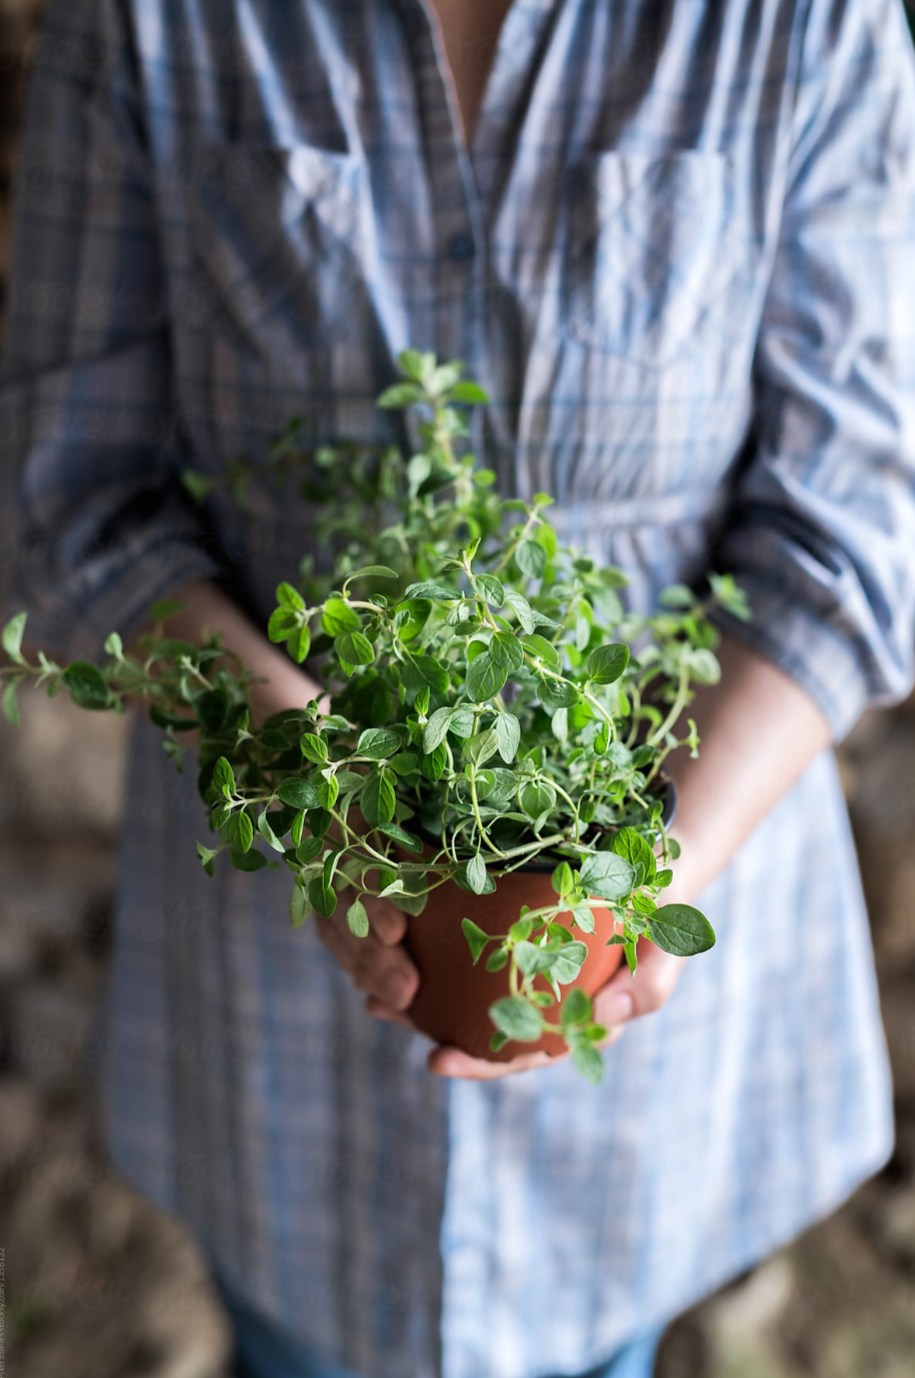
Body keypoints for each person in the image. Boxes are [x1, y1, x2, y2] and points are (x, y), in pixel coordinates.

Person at [3, 0, 915, 1375]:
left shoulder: (803, 23)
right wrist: (318, 789)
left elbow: (852, 520)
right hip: (281, 988)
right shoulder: (149, 22)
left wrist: (648, 864)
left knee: (609, 1343)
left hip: (660, 977)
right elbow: (72, 494)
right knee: (289, 1341)